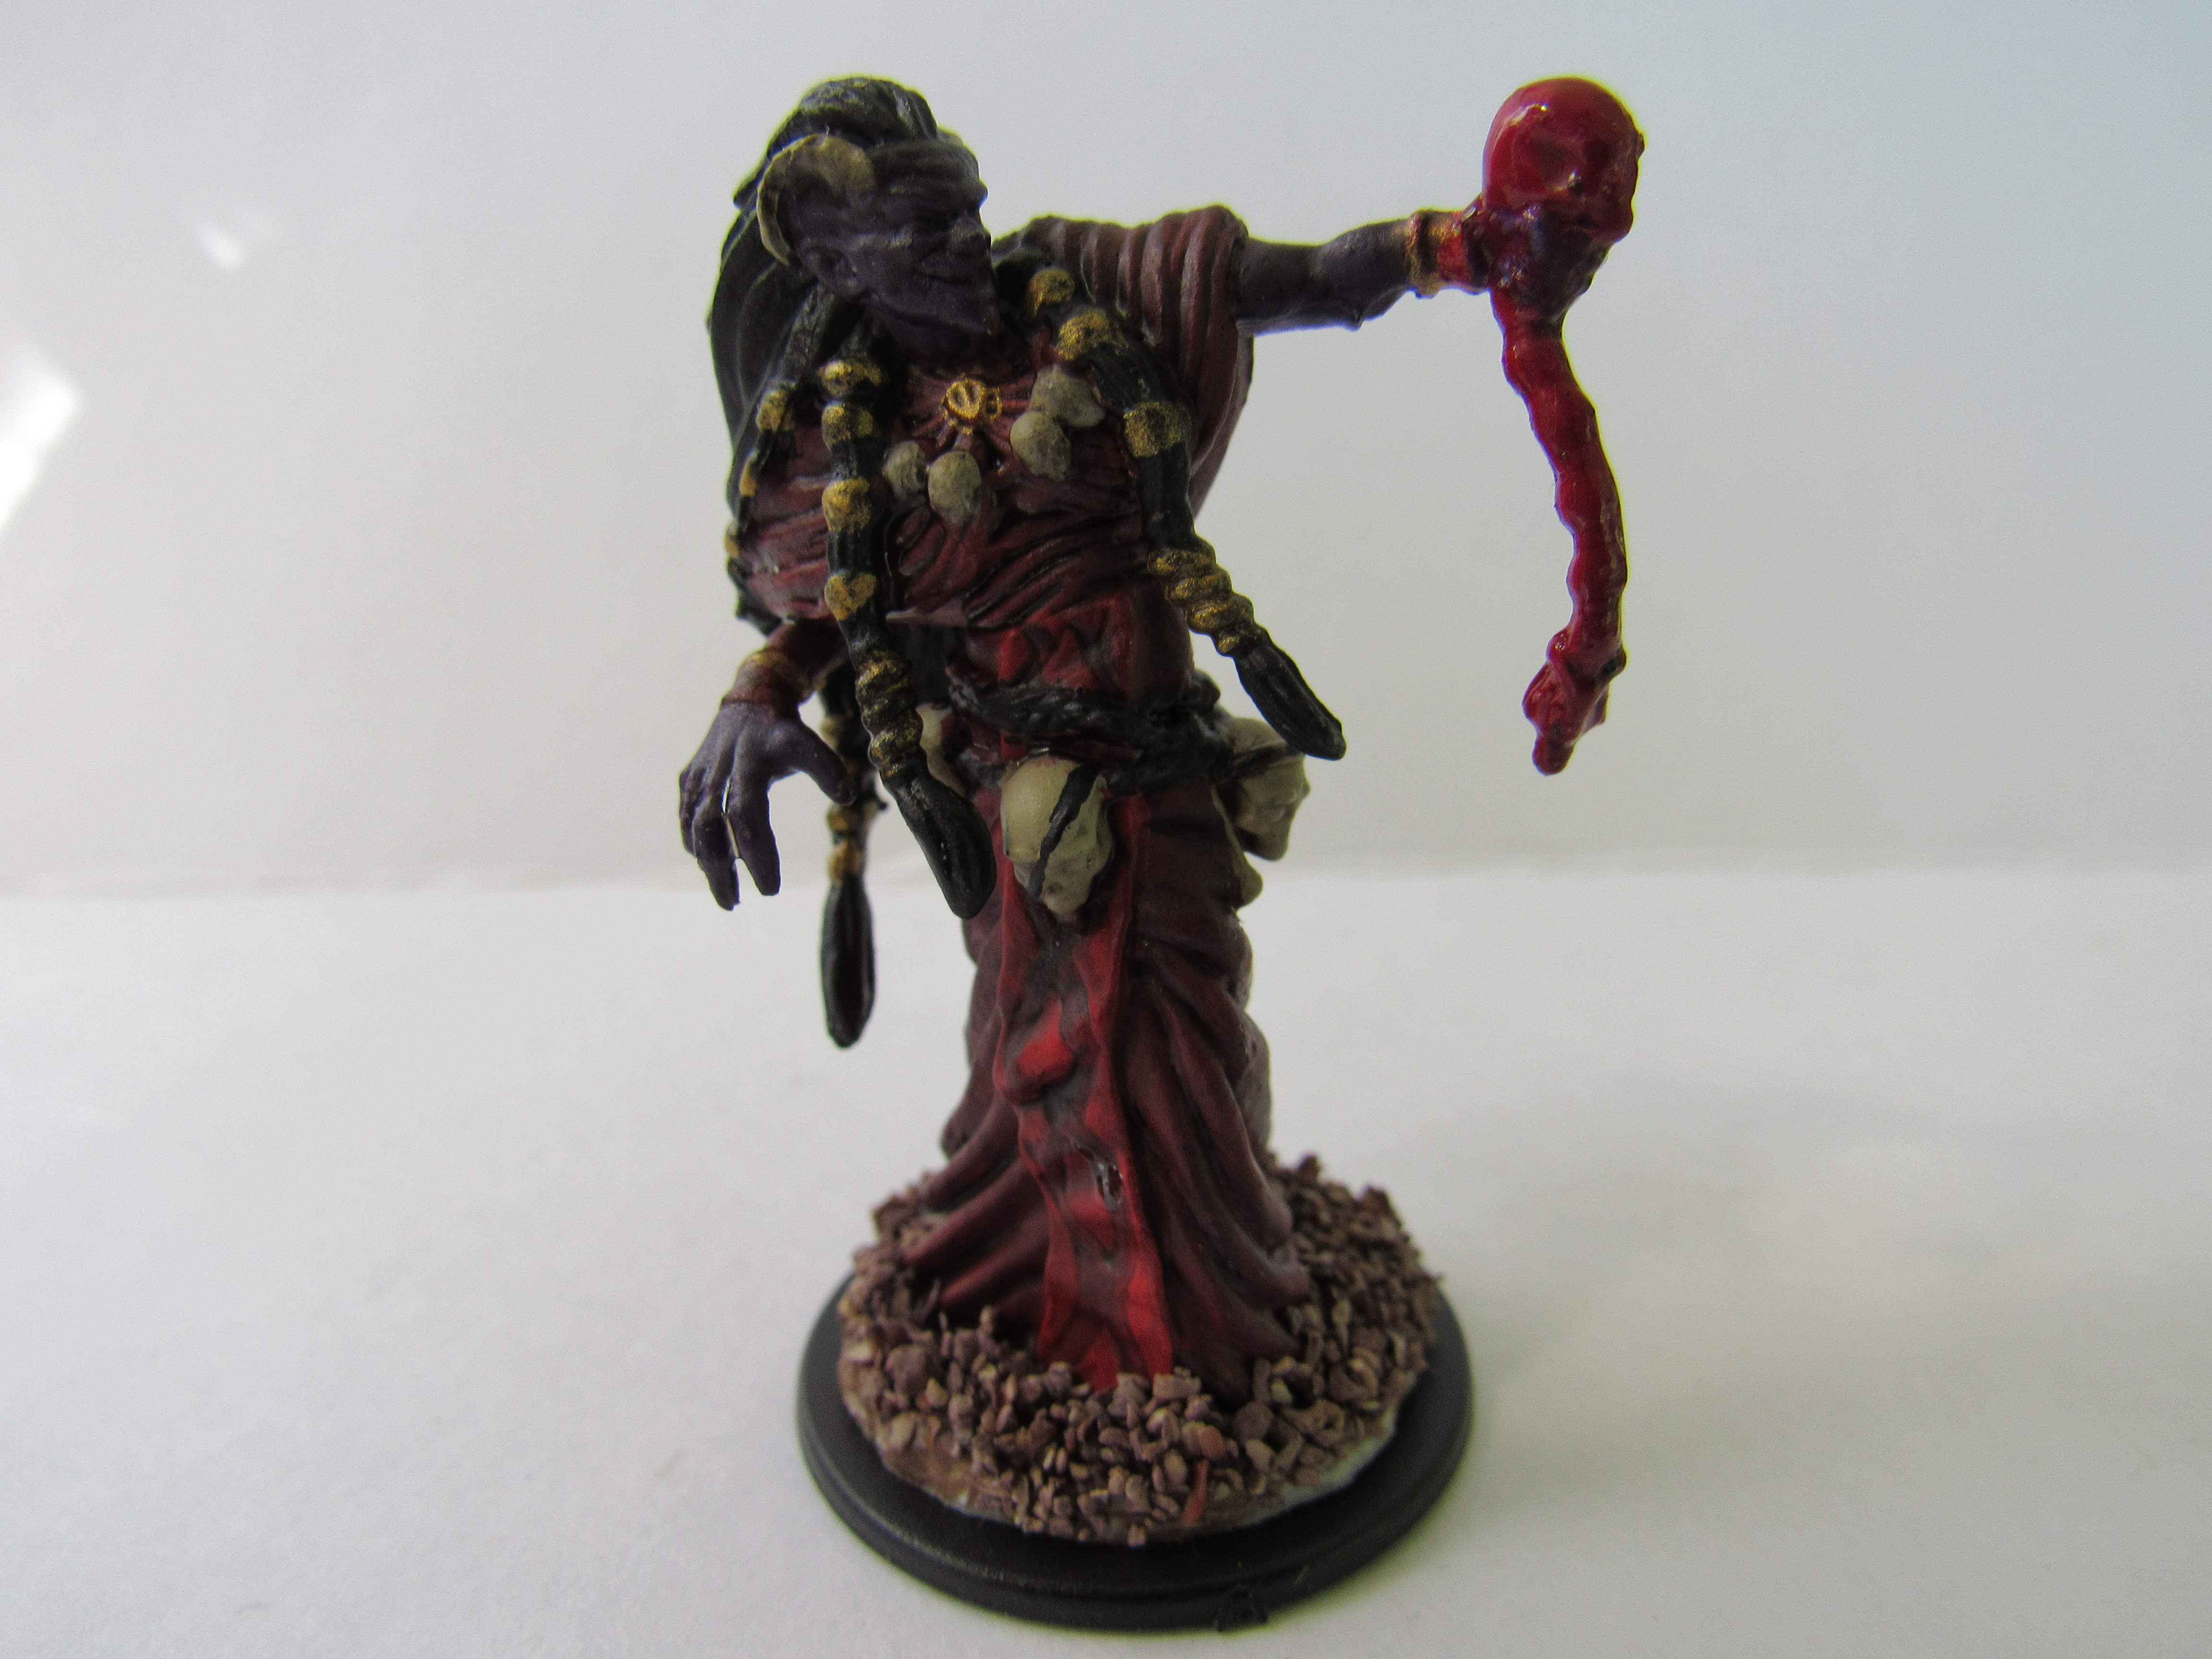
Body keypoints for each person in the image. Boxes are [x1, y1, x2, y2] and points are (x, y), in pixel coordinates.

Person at [677, 77, 1635, 1399]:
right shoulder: (851, 433)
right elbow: (834, 610)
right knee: (1048, 1042)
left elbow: (1290, 281)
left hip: (1157, 754)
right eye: (920, 237)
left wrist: (1463, 250)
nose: (964, 247)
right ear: (838, 265)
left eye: (965, 213)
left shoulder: (1082, 293)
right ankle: (1075, 1322)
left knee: (1187, 1023)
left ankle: (1202, 1326)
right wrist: (757, 692)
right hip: (1020, 802)